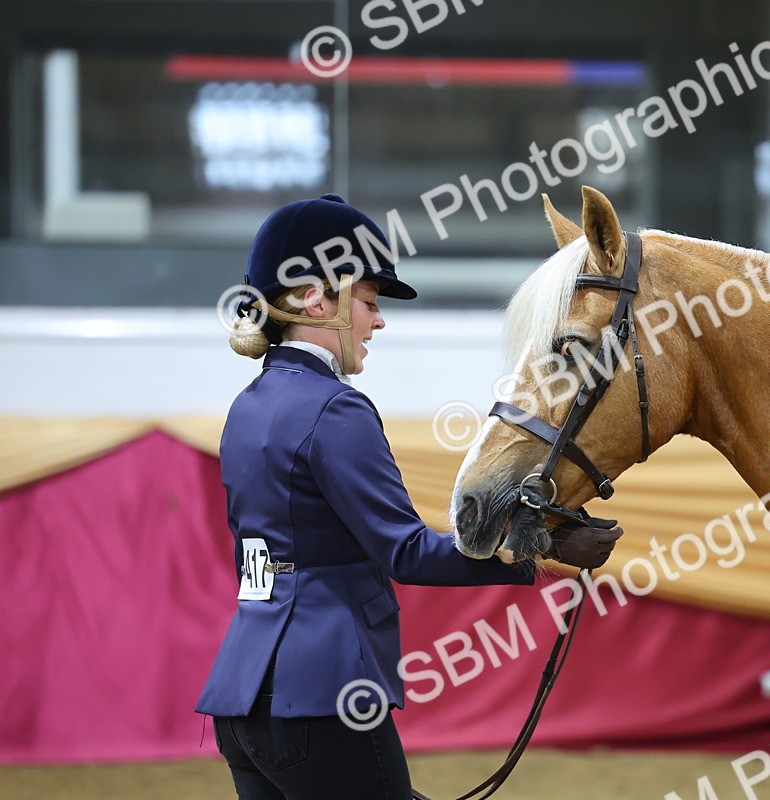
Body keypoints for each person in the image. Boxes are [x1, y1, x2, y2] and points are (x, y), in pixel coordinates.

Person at [196, 194, 623, 800]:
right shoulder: (335, 408)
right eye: (368, 301)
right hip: (322, 691)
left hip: (243, 695)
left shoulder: (247, 407)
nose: (377, 320)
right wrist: (543, 544)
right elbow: (407, 553)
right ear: (317, 297)